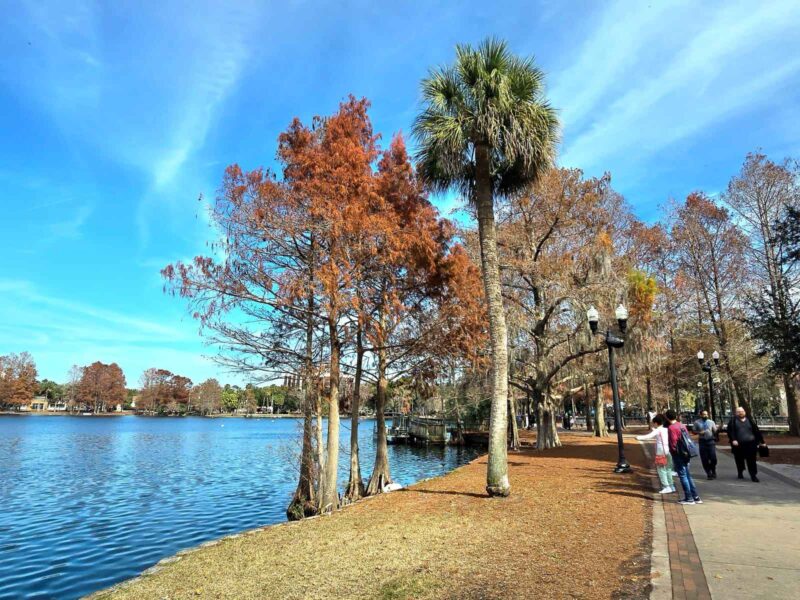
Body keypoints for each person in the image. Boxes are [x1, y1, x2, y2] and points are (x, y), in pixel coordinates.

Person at [665, 409, 702, 505]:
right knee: (688, 475)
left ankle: (689, 498)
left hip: (678, 454)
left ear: (667, 417)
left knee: (683, 475)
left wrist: (672, 451)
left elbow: (673, 442)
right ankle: (696, 496)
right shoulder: (681, 425)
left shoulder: (671, 428)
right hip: (686, 452)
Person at [636, 414, 675, 494]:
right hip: (668, 451)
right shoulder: (666, 429)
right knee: (668, 469)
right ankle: (671, 486)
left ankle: (666, 486)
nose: (653, 424)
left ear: (656, 423)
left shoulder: (658, 430)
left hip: (661, 452)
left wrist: (638, 437)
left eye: (654, 423)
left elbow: (648, 436)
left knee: (661, 470)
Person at [727, 406, 765, 482]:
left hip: (751, 444)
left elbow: (756, 431)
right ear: (736, 413)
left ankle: (753, 475)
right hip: (738, 445)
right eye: (739, 412)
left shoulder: (750, 420)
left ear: (744, 412)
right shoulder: (733, 421)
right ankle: (740, 471)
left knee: (752, 460)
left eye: (742, 411)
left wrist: (762, 442)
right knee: (739, 459)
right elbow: (730, 432)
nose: (741, 413)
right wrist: (733, 440)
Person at [693, 410, 718, 479]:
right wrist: (699, 432)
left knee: (713, 458)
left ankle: (713, 470)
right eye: (704, 414)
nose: (706, 415)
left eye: (707, 414)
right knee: (704, 459)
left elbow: (715, 431)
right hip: (702, 442)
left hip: (711, 442)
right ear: (700, 415)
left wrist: (719, 429)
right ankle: (708, 473)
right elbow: (694, 431)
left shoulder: (711, 422)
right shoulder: (697, 422)